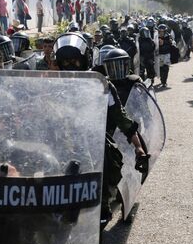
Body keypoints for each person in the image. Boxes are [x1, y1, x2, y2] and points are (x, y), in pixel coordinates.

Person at [53, 32, 147, 227]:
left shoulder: (101, 86)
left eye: (74, 62)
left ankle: (102, 210)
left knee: (103, 166)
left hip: (93, 142)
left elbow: (122, 119)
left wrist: (138, 147)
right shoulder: (52, 85)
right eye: (66, 62)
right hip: (59, 142)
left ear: (85, 59)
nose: (70, 66)